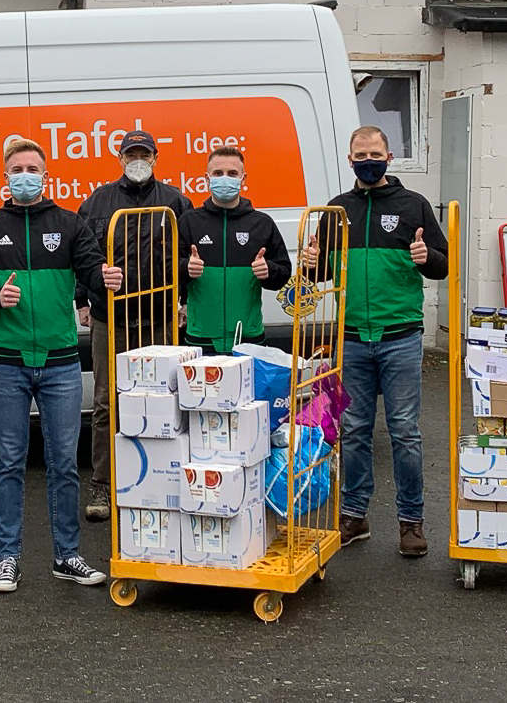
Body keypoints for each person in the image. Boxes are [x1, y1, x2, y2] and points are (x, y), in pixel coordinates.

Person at [0, 138, 123, 593]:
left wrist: (106, 278)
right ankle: (6, 558)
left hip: (61, 362)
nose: (24, 175)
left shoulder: (68, 224)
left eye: (32, 167)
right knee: (9, 462)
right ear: (5, 178)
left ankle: (67, 556)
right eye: (17, 168)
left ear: (45, 176)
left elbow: (92, 272)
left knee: (64, 463)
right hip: (7, 363)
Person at [301, 126, 449, 558]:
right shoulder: (336, 210)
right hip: (348, 339)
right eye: (361, 153)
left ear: (389, 156)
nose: (369, 159)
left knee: (405, 432)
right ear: (350, 160)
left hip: (400, 336)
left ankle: (411, 522)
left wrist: (427, 258)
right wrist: (311, 263)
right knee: (352, 430)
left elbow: (440, 265)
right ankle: (354, 516)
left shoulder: (413, 205)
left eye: (376, 152)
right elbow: (318, 275)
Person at [75, 130, 192, 523]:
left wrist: (183, 299)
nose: (137, 160)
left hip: (160, 319)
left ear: (156, 157)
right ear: (120, 158)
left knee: (167, 400)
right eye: (131, 154)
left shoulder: (176, 201)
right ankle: (103, 487)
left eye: (144, 153)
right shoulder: (97, 202)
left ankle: (166, 482)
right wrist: (82, 300)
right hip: (113, 319)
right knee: (107, 403)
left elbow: (189, 256)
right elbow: (84, 255)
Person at [177, 146, 292, 353]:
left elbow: (284, 272)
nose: (225, 179)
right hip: (201, 339)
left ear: (243, 179)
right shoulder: (188, 222)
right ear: (207, 178)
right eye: (218, 173)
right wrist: (185, 267)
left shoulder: (262, 224)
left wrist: (269, 271)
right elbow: (164, 270)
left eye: (232, 174)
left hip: (248, 339)